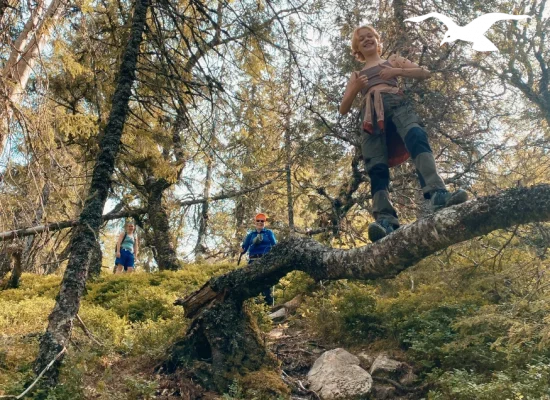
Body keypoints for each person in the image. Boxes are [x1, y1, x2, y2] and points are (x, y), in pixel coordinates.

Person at [339, 25, 468, 242]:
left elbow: (424, 73)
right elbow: (343, 108)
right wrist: (354, 89)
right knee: (376, 166)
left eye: (370, 35)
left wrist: (396, 72)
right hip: (370, 115)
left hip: (398, 104)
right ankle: (385, 220)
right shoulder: (356, 75)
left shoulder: (393, 60)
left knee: (416, 137)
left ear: (378, 41)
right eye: (362, 39)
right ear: (357, 48)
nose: (367, 39)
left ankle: (438, 193)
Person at [241, 213, 277, 305]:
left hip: (265, 260)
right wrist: (242, 249)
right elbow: (244, 249)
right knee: (252, 282)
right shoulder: (251, 235)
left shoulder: (269, 233)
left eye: (262, 221)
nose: (260, 222)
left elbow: (275, 246)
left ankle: (268, 306)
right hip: (253, 261)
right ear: (255, 222)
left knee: (265, 284)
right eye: (258, 221)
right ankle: (254, 306)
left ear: (265, 222)